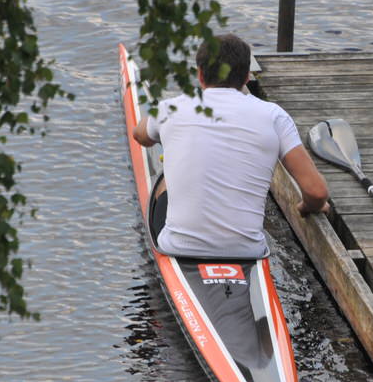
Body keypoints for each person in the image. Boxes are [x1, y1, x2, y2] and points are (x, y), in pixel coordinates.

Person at [132, 34, 329, 259]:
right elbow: (316, 191)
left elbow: (139, 135)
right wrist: (308, 207)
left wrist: (163, 134)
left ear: (200, 75)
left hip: (177, 248)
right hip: (248, 251)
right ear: (246, 77)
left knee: (165, 178)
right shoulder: (275, 116)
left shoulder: (171, 109)